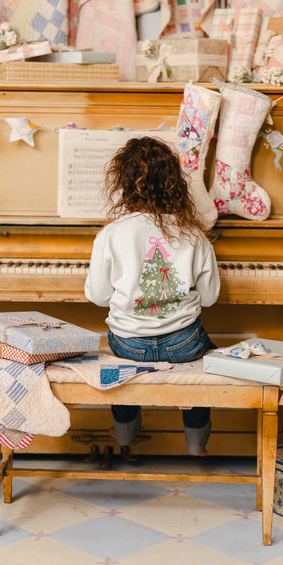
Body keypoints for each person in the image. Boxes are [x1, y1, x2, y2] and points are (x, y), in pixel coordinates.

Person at [84, 135, 220, 459]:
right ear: (175, 184)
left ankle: (125, 433)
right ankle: (196, 442)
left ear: (124, 185)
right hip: (183, 343)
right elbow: (211, 298)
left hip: (129, 343)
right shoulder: (194, 234)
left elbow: (99, 296)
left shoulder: (111, 234)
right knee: (209, 353)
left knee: (119, 359)